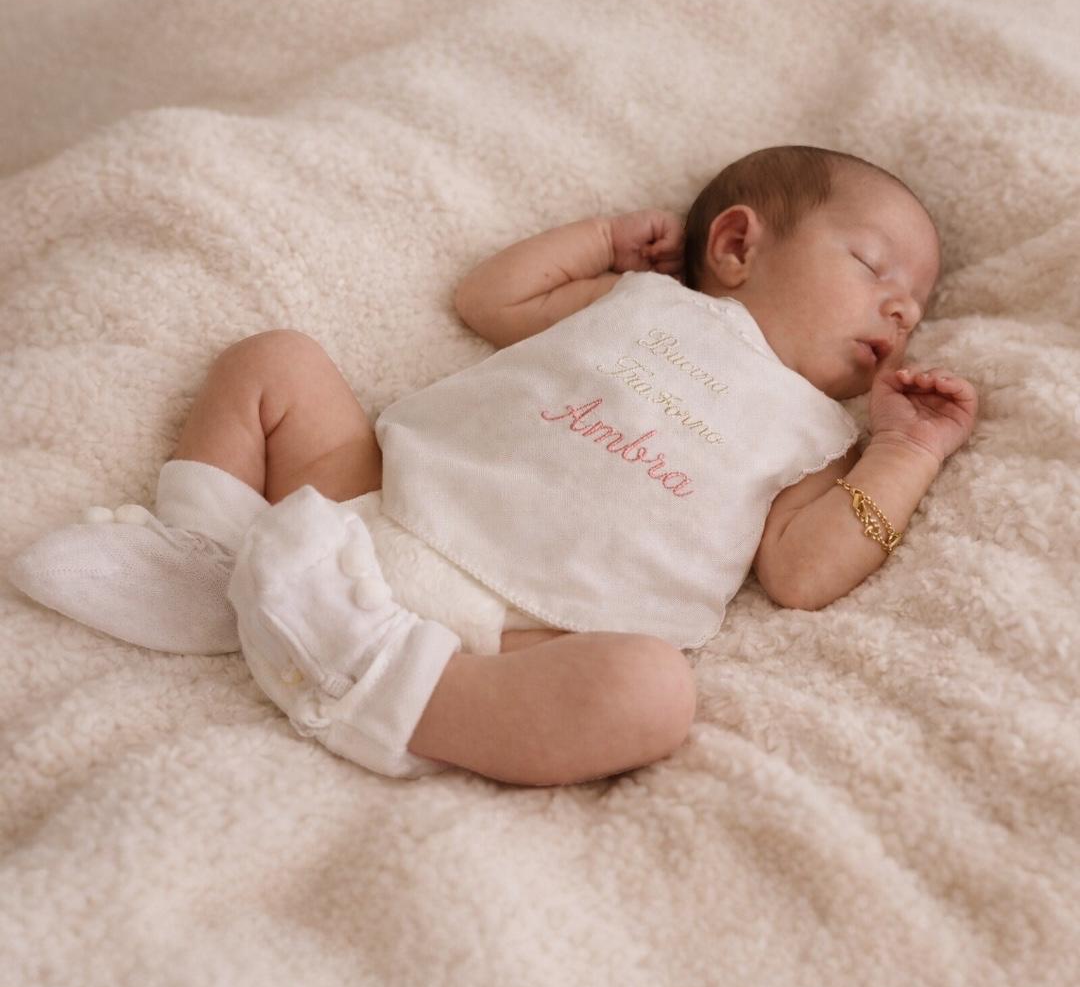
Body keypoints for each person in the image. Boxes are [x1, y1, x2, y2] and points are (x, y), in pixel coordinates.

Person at [8, 146, 978, 787]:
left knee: (652, 694)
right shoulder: (640, 303)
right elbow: (490, 300)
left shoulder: (819, 434)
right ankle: (208, 564)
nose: (900, 311)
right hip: (377, 510)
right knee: (277, 361)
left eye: (916, 308)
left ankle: (398, 693)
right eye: (874, 267)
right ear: (734, 243)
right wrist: (601, 244)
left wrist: (907, 450)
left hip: (516, 633)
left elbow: (804, 572)